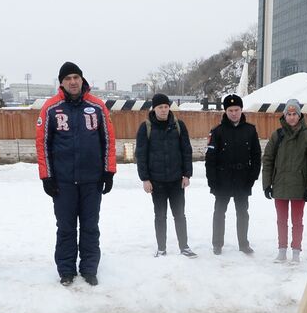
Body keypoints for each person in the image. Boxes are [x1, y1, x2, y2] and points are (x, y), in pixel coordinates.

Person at [36, 61, 116, 285]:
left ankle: (89, 268)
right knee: (66, 227)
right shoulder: (51, 108)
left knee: (90, 226)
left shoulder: (98, 106)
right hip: (63, 182)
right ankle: (66, 270)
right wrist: (47, 176)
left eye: (76, 77)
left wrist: (108, 172)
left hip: (92, 181)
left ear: (82, 80)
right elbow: (42, 144)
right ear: (61, 82)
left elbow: (108, 140)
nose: (73, 82)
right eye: (68, 78)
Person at [135, 93, 195, 257]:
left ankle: (184, 247)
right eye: (160, 107)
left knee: (180, 215)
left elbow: (186, 151)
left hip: (177, 180)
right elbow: (141, 155)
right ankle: (161, 248)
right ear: (154, 109)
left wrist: (187, 174)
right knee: (160, 216)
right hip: (157, 181)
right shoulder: (146, 127)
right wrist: (145, 179)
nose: (163, 110)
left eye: (166, 107)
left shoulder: (178, 125)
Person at [261, 98, 307, 263]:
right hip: (279, 185)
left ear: (300, 116)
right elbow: (268, 161)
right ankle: (281, 249)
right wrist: (267, 185)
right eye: (289, 114)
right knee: (281, 220)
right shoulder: (277, 135)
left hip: (299, 188)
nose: (292, 117)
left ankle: (296, 251)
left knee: (297, 221)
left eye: (295, 114)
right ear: (284, 115)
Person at [205, 94, 262, 255]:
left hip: (243, 180)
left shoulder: (250, 130)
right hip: (222, 180)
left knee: (243, 213)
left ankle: (243, 244)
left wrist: (252, 178)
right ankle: (217, 244)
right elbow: (210, 159)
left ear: (241, 110)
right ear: (225, 111)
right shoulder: (217, 132)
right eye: (230, 110)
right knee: (219, 213)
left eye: (236, 109)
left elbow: (256, 156)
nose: (234, 113)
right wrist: (212, 181)